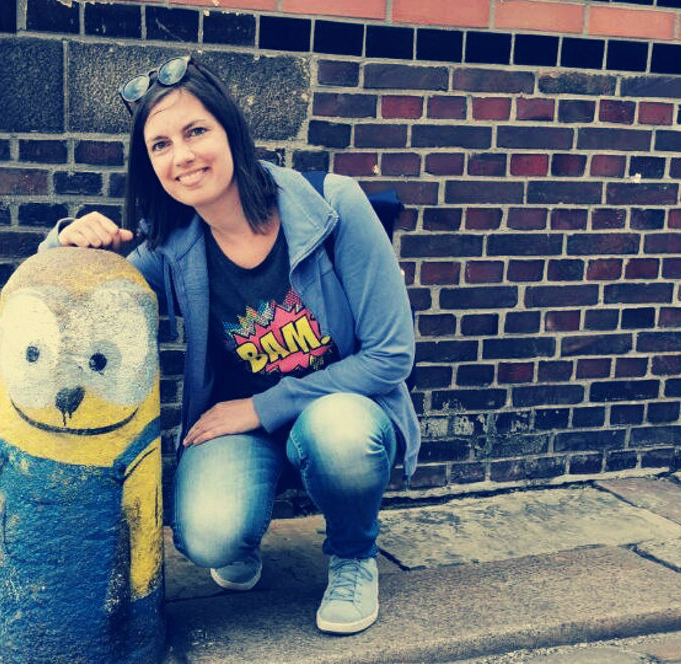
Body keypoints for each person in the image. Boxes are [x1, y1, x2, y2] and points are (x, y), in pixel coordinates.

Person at [38, 55, 421, 635]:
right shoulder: (169, 249)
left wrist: (260, 406)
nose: (182, 156)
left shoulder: (333, 207)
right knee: (209, 536)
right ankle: (242, 532)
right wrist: (64, 244)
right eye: (160, 145)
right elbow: (83, 309)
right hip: (240, 431)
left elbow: (391, 354)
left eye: (196, 132)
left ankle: (352, 554)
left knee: (339, 434)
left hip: (338, 410)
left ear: (229, 131)